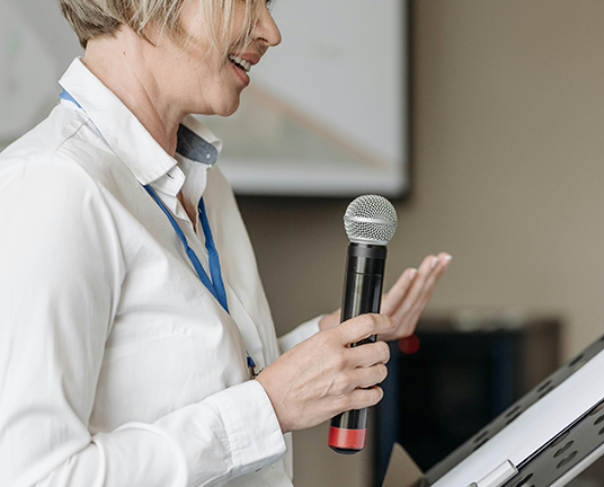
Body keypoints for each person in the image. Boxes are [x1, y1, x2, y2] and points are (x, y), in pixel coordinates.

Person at [0, 1, 450, 485]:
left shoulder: (207, 184)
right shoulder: (56, 184)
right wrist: (268, 409)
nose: (271, 32)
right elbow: (36, 476)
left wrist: (325, 345)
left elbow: (194, 382)